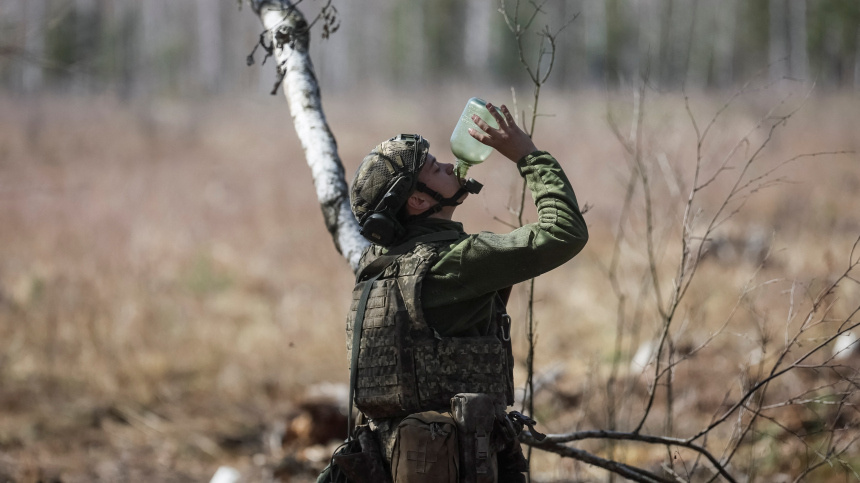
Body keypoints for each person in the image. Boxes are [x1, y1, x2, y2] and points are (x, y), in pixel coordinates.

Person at [346, 102, 588, 483]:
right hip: (449, 462)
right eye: (432, 168)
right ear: (419, 201)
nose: (446, 166)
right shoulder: (452, 264)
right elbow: (564, 233)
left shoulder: (377, 268)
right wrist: (528, 156)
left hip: (392, 460)